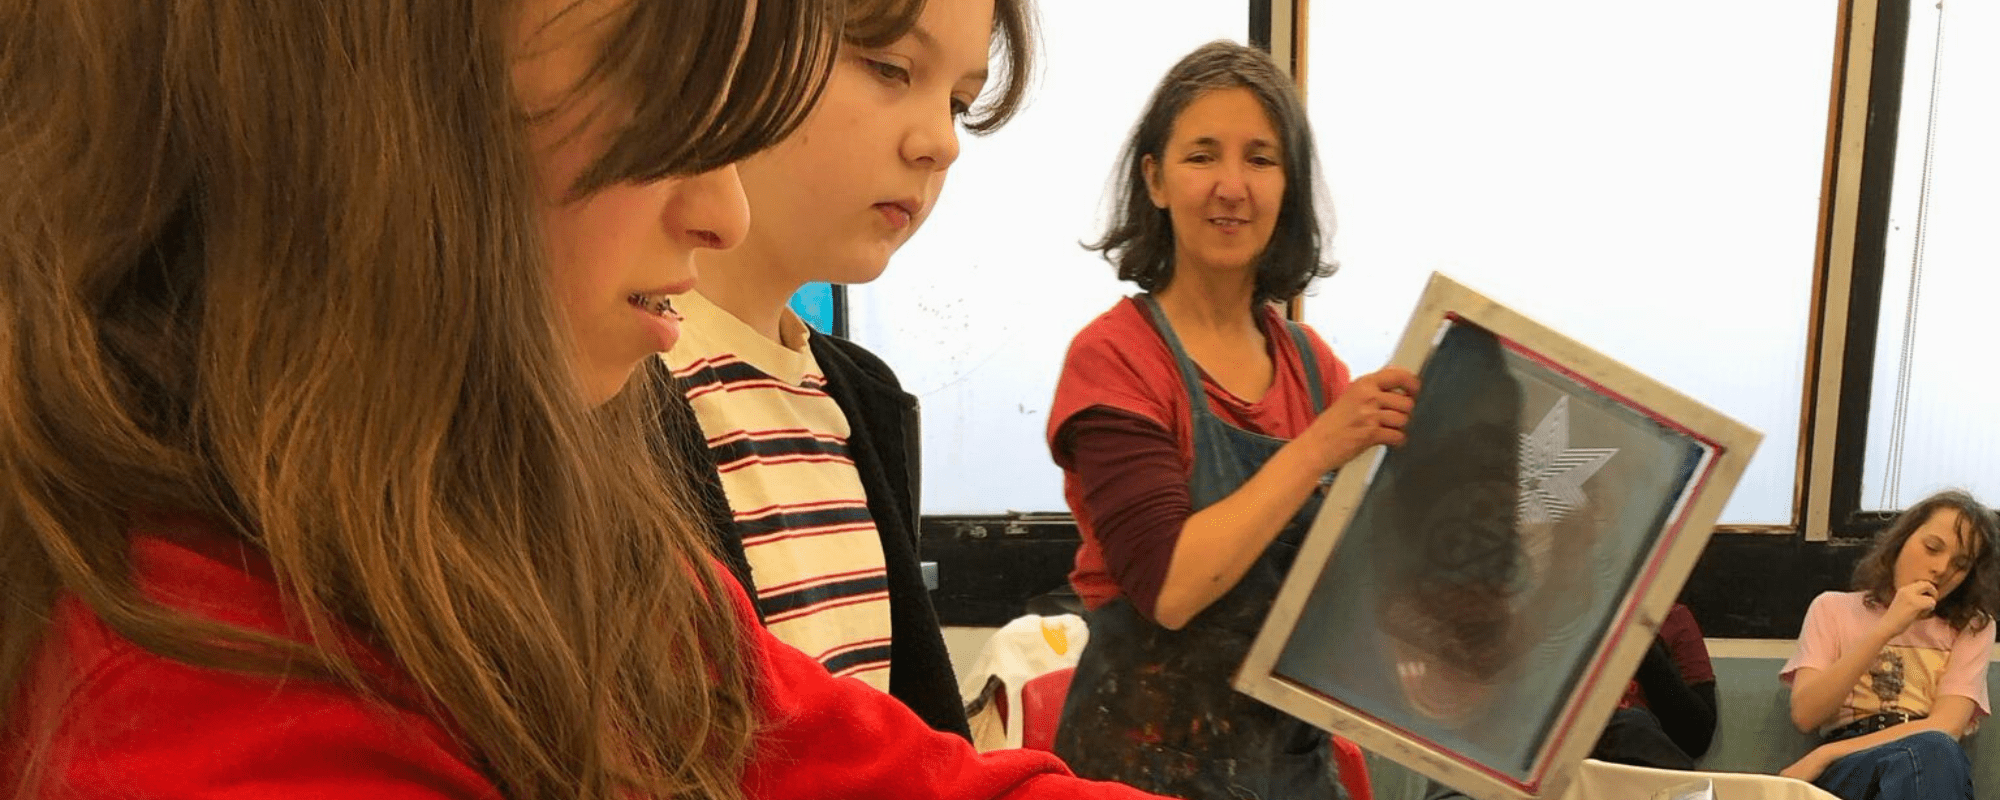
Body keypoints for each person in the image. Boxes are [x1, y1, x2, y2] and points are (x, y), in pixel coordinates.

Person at [0, 1, 1169, 798]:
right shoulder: (202, 707)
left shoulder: (526, 528)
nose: (724, 213)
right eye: (664, 105)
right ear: (366, 117)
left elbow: (867, 754)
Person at [1043, 40, 1421, 800]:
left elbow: (1360, 592)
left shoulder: (1315, 370)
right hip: (1138, 774)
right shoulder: (1115, 359)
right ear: (1155, 179)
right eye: (1202, 156)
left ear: (1288, 186)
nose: (1231, 186)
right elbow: (1171, 587)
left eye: (1260, 159)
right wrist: (1319, 447)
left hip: (1291, 772)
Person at [656, 0, 1034, 738]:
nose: (941, 144)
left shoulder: (862, 398)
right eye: (890, 68)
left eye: (959, 104)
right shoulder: (609, 383)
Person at [1779, 489, 2000, 799]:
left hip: (1931, 761)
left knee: (1933, 750)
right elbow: (1806, 714)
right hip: (1852, 767)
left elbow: (1946, 726)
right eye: (1932, 548)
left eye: (1960, 564)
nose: (1941, 569)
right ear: (1901, 541)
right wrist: (1888, 627)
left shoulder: (1973, 626)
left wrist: (1824, 754)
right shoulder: (1831, 608)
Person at [1420, 601, 1717, 799]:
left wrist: (1639, 636)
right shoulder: (1533, 614)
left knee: (1630, 724)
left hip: (1627, 765)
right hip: (1539, 749)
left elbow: (1696, 737)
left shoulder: (1671, 618)